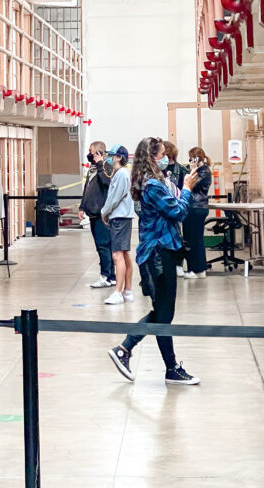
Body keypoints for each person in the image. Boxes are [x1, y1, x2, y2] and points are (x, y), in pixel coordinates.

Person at [107, 136, 200, 385]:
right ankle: (160, 364)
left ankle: (129, 351)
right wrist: (188, 189)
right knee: (163, 314)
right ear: (152, 158)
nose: (166, 160)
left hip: (160, 252)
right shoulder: (153, 186)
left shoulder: (154, 182)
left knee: (162, 313)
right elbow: (178, 211)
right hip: (159, 255)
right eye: (161, 156)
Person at [100, 145, 135, 305]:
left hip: (120, 218)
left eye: (112, 155)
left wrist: (104, 211)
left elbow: (114, 198)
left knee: (117, 255)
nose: (109, 158)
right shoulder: (121, 174)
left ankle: (118, 292)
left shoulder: (121, 174)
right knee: (124, 254)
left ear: (119, 157)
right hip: (123, 217)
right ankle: (127, 291)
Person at [79, 140, 115, 288]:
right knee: (101, 246)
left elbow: (106, 182)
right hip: (92, 212)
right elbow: (87, 188)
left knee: (104, 245)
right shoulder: (92, 169)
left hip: (102, 214)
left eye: (91, 152)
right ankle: (109, 275)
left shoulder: (106, 166)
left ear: (99, 153)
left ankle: (107, 275)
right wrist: (82, 207)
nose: (89, 154)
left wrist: (100, 165)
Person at [183, 147, 213, 279]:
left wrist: (192, 170)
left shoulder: (204, 171)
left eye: (192, 159)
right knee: (190, 239)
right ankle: (194, 268)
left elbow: (192, 185)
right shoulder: (200, 171)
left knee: (196, 239)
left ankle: (198, 269)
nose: (190, 161)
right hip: (191, 207)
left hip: (197, 207)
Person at [162, 140, 188, 280]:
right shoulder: (159, 170)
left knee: (177, 236)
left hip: (176, 206)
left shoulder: (181, 170)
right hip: (163, 206)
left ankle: (178, 264)